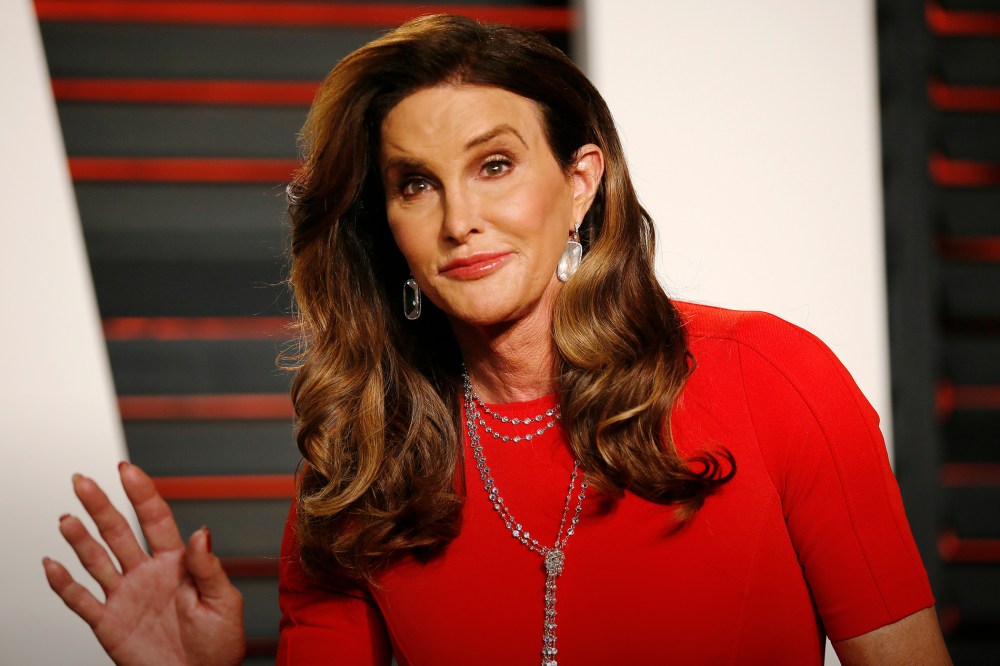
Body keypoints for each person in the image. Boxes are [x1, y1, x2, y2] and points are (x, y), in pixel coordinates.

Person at [45, 14, 952, 666]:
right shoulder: (363, 469)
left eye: (494, 165)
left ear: (581, 180)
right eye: (415, 185)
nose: (460, 221)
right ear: (386, 223)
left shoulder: (771, 377)